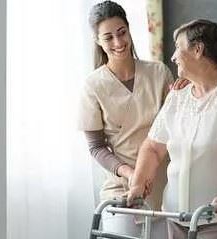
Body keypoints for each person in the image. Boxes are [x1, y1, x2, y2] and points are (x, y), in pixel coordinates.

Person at [127, 19, 217, 239]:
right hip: (175, 216)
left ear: (197, 50)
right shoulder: (177, 96)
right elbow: (153, 146)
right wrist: (138, 183)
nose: (173, 56)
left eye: (178, 47)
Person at [77, 1, 187, 238]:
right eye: (108, 38)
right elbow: (96, 147)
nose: (118, 43)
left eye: (122, 33)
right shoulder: (93, 86)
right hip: (121, 192)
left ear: (129, 29)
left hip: (163, 191)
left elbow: (178, 126)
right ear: (97, 41)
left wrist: (185, 93)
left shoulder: (158, 73)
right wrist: (130, 173)